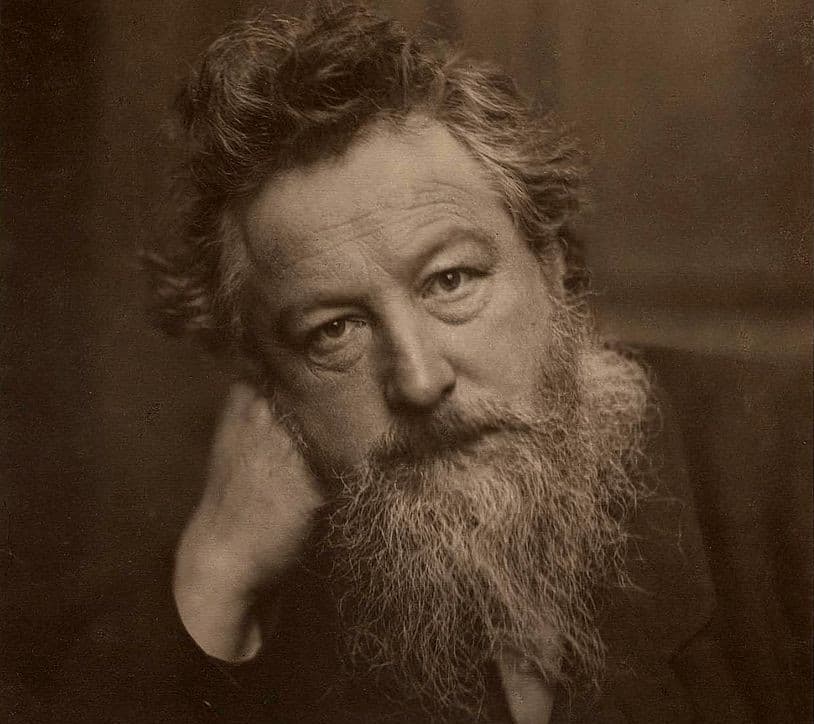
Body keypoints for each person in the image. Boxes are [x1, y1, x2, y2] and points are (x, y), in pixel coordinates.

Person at [27, 3, 759, 723]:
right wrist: (219, 568)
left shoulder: (783, 472)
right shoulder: (272, 579)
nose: (419, 380)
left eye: (451, 281)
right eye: (334, 329)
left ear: (553, 266)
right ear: (267, 381)